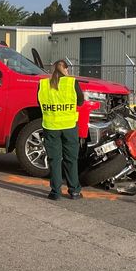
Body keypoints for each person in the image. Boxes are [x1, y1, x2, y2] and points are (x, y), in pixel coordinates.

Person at [38, 59, 84, 200]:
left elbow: (39, 102)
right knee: (71, 159)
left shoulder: (43, 84)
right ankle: (74, 191)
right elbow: (80, 102)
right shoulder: (72, 82)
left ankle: (55, 192)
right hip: (69, 127)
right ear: (66, 69)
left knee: (54, 160)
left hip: (51, 126)